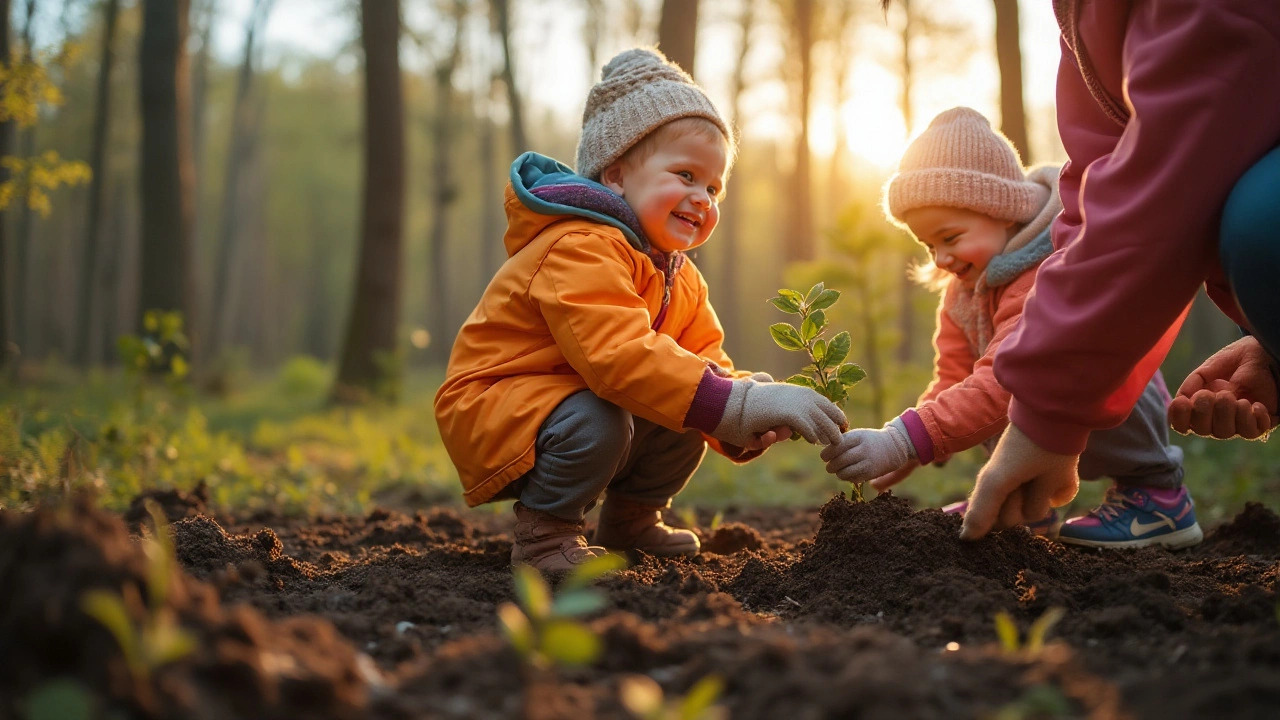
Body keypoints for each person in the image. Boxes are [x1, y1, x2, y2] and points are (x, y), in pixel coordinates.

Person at [433, 48, 846, 571]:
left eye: (714, 187)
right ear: (617, 175)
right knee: (602, 416)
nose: (703, 198)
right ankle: (544, 537)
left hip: (572, 404)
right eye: (685, 175)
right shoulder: (579, 246)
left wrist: (750, 401)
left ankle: (631, 522)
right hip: (498, 405)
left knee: (687, 405)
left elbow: (700, 365)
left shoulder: (682, 276)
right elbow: (617, 359)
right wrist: (735, 404)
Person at [959, 0, 1280, 540]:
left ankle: (1155, 490)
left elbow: (1166, 190)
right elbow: (1096, 192)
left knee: (1264, 225)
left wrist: (1048, 414)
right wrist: (1268, 344)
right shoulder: (1083, 18)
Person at [821, 107, 1200, 548]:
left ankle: (1157, 493)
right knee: (978, 404)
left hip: (1109, 407)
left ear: (1001, 211)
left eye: (950, 237)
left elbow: (1004, 381)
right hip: (1039, 419)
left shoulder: (1041, 276)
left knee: (1039, 386)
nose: (940, 258)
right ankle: (1023, 505)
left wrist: (906, 440)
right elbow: (953, 377)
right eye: (927, 245)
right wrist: (911, 439)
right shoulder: (961, 292)